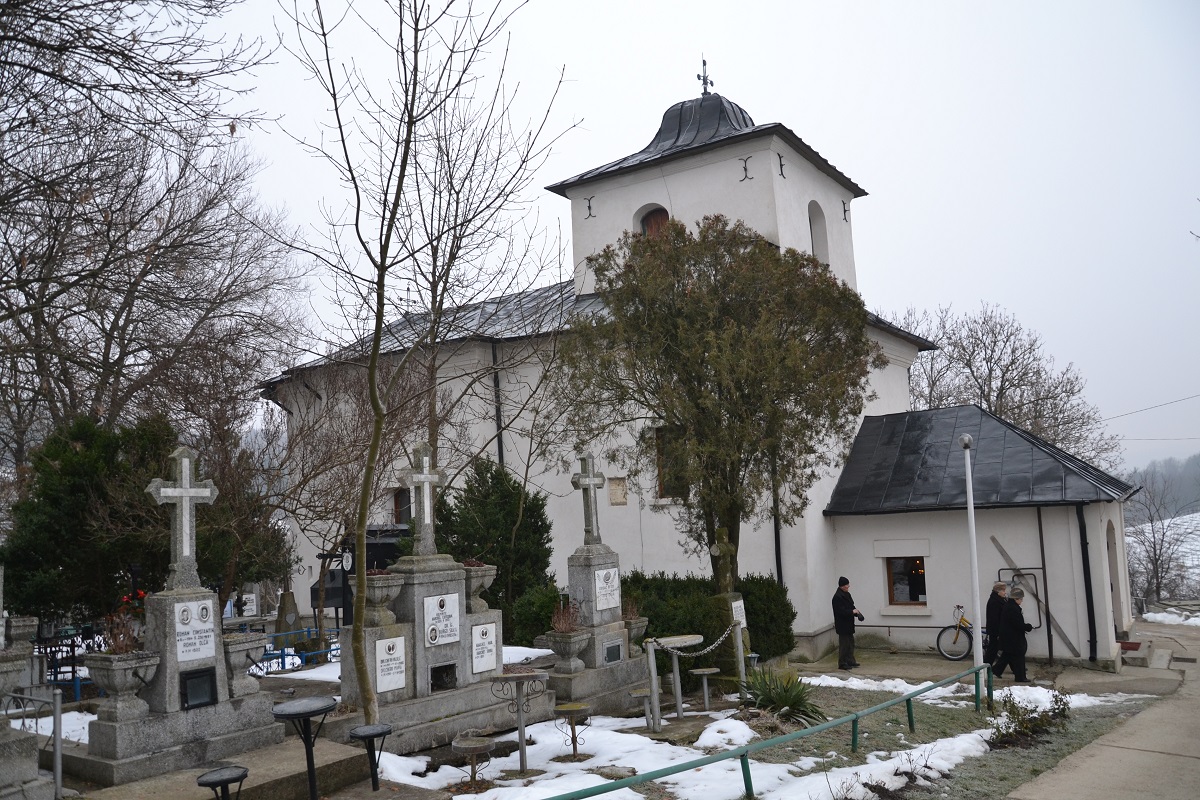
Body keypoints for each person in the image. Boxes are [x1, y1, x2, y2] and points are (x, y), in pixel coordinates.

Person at [992, 586, 1034, 682]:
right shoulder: (1013, 609)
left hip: (1008, 636)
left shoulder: (1009, 606)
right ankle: (1020, 677)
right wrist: (1027, 627)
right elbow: (1017, 624)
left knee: (1008, 655)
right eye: (1021, 599)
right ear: (1016, 599)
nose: (1022, 601)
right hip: (1013, 637)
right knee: (1019, 656)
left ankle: (996, 670)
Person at [832, 576, 864, 670]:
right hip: (842, 625)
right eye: (846, 585)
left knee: (850, 643)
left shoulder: (847, 595)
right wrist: (851, 612)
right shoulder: (837, 597)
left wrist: (856, 612)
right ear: (842, 586)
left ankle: (850, 661)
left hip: (849, 624)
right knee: (844, 645)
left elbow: (851, 606)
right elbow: (840, 611)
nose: (848, 586)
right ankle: (842, 663)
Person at [983, 581, 1007, 664]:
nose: (1005, 592)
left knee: (1001, 649)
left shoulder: (998, 600)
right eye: (1003, 590)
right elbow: (994, 619)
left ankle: (991, 667)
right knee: (993, 649)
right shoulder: (995, 602)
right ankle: (987, 666)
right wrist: (998, 632)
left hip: (997, 629)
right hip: (996, 630)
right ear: (998, 591)